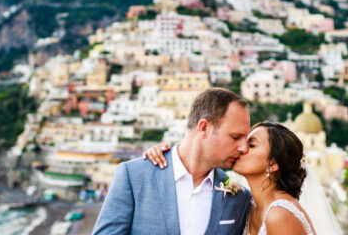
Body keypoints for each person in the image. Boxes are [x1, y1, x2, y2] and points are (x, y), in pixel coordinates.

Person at [92, 88, 252, 235]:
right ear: (204, 128)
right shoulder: (134, 176)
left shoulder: (240, 197)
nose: (244, 148)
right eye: (236, 137)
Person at [146, 122, 321, 235]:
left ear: (273, 164)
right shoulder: (246, 203)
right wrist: (166, 157)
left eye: (251, 145)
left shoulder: (280, 215)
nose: (242, 148)